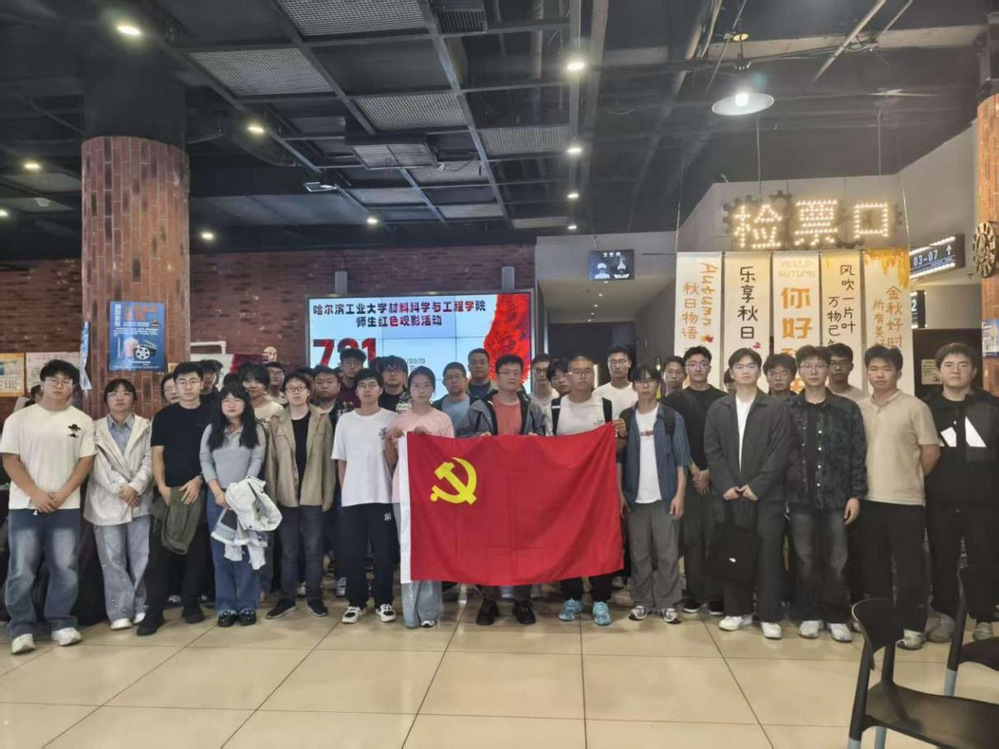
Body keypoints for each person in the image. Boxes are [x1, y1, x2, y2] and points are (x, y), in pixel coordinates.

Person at [1, 359, 95, 654]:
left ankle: (61, 622)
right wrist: (36, 494)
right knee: (21, 569)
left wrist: (63, 493)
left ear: (73, 387)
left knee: (65, 567)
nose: (59, 385)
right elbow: (10, 460)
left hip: (66, 506)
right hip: (24, 505)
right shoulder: (19, 419)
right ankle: (21, 627)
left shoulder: (82, 420)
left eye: (66, 381)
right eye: (54, 380)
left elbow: (85, 462)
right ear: (42, 384)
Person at [704, 348, 790, 640]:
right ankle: (737, 611)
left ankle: (769, 615)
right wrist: (726, 484)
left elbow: (780, 452)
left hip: (766, 496)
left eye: (751, 366)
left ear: (758, 371)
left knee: (769, 556)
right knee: (735, 553)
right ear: (731, 372)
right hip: (731, 495)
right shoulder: (719, 408)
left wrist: (758, 485)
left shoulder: (775, 408)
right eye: (739, 366)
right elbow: (712, 449)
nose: (745, 371)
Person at [457, 354, 548, 626]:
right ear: (496, 376)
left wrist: (537, 441)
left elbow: (547, 441)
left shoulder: (531, 407)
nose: (511, 376)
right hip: (488, 486)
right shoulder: (479, 407)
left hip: (523, 486)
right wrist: (478, 439)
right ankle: (489, 599)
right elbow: (460, 441)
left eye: (515, 372)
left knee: (523, 543)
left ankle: (522, 600)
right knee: (489, 544)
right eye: (506, 372)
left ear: (522, 376)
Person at [859, 345, 940, 650]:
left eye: (887, 369)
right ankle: (882, 623)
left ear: (899, 373)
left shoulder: (915, 407)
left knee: (909, 567)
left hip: (906, 502)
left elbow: (930, 452)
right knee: (874, 565)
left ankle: (912, 625)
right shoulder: (860, 408)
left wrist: (909, 477)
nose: (880, 375)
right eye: (874, 369)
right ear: (867, 372)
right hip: (868, 499)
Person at [785, 346, 866, 643]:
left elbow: (858, 453)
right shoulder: (788, 409)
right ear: (800, 371)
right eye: (807, 366)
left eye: (820, 365)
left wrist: (856, 494)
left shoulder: (847, 409)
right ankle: (809, 613)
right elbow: (780, 455)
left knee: (837, 560)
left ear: (828, 369)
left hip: (837, 496)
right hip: (799, 496)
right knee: (804, 558)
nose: (814, 371)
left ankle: (836, 615)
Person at [923, 343, 999, 643]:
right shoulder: (926, 408)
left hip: (984, 501)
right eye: (949, 365)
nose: (956, 370)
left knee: (984, 558)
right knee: (943, 558)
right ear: (939, 371)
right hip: (940, 500)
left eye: (963, 364)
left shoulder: (991, 406)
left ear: (974, 370)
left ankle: (984, 618)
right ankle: (947, 615)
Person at [552, 354, 627, 626]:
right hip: (565, 492)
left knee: (599, 543)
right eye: (577, 371)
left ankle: (600, 599)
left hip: (598, 490)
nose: (582, 375)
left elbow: (616, 449)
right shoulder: (555, 408)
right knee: (567, 543)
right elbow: (546, 449)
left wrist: (622, 434)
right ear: (567, 376)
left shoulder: (605, 406)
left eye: (587, 371)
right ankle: (572, 596)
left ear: (593, 375)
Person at [140, 361, 212, 636]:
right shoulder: (164, 417)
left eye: (193, 381)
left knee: (196, 552)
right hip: (169, 493)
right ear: (175, 386)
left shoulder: (212, 414)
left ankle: (191, 603)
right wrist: (162, 487)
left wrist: (200, 479)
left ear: (202, 384)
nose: (188, 387)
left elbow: (216, 453)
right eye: (182, 382)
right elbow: (157, 454)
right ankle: (155, 609)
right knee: (160, 553)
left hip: (200, 490)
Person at [619, 364, 691, 624]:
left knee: (668, 554)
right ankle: (642, 601)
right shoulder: (626, 418)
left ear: (658, 384)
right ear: (634, 386)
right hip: (634, 497)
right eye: (640, 381)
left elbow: (682, 460)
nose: (645, 385)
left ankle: (667, 602)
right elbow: (618, 459)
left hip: (665, 495)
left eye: (650, 381)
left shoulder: (671, 418)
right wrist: (619, 493)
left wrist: (679, 495)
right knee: (639, 554)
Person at [385, 366, 455, 628]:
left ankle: (429, 612)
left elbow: (450, 458)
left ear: (433, 389)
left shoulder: (442, 419)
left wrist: (429, 442)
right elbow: (390, 460)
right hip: (402, 492)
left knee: (430, 550)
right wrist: (390, 440)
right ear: (409, 388)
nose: (421, 390)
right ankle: (410, 612)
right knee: (407, 549)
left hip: (434, 493)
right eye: (416, 385)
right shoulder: (399, 420)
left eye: (426, 385)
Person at [265, 371, 335, 619]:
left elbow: (329, 460)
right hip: (286, 494)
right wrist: (272, 496)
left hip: (314, 492)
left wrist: (328, 493)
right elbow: (271, 460)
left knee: (314, 549)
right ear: (284, 393)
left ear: (308, 392)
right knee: (288, 550)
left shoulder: (321, 418)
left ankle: (315, 597)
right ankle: (287, 598)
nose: (295, 392)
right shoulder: (276, 420)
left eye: (300, 388)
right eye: (291, 388)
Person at [663, 346, 727, 617]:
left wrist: (709, 471)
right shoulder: (674, 401)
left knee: (715, 537)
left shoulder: (724, 400)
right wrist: (694, 470)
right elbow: (672, 441)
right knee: (691, 539)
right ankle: (695, 593)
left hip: (718, 478)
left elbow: (728, 440)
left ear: (710, 367)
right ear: (686, 368)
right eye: (692, 364)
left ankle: (716, 595)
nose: (698, 368)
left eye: (703, 363)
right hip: (687, 479)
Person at [86, 379, 154, 631]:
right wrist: (122, 490)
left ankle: (141, 606)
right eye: (113, 394)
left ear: (134, 399)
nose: (120, 398)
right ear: (106, 399)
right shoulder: (93, 428)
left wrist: (135, 487)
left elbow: (151, 460)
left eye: (126, 393)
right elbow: (96, 464)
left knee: (141, 557)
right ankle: (119, 611)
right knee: (112, 558)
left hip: (140, 499)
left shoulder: (146, 426)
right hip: (107, 500)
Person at [331, 368, 398, 624]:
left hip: (383, 494)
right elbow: (341, 460)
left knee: (384, 552)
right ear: (356, 391)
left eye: (372, 385)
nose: (367, 390)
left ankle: (384, 601)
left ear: (380, 389)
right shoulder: (345, 420)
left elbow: (395, 460)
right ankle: (356, 602)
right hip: (353, 496)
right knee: (353, 552)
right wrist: (346, 490)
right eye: (362, 386)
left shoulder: (392, 418)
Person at [200, 384, 266, 627]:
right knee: (221, 554)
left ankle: (247, 605)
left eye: (236, 399)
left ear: (245, 404)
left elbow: (257, 460)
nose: (231, 404)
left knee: (248, 551)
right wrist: (218, 492)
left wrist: (241, 493)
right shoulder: (211, 430)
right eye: (226, 400)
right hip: (218, 498)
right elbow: (205, 461)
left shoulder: (255, 429)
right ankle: (226, 606)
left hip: (246, 497)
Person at [595, 344, 638, 418]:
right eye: (613, 362)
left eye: (621, 361)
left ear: (629, 363)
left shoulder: (638, 391)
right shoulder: (598, 393)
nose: (617, 366)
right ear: (608, 364)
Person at [433, 362, 471, 430]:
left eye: (457, 377)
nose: (454, 381)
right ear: (444, 382)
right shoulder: (435, 407)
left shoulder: (477, 405)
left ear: (466, 380)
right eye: (449, 377)